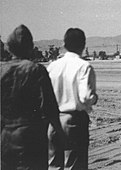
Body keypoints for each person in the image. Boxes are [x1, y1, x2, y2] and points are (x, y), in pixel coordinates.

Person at [1, 24, 65, 170]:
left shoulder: (1, 70)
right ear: (30, 46)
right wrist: (59, 135)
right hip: (31, 139)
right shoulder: (37, 70)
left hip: (5, 139)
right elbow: (50, 108)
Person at [47, 28, 98, 170]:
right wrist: (94, 99)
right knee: (74, 164)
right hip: (74, 120)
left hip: (54, 118)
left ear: (64, 44)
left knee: (53, 164)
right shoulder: (84, 66)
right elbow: (86, 97)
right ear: (83, 45)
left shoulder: (53, 66)